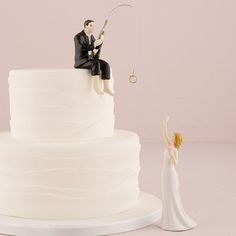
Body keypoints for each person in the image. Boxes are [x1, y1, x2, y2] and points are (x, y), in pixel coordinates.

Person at [159, 116, 197, 231]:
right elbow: (164, 135)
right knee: (166, 193)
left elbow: (176, 162)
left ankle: (175, 219)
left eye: (172, 138)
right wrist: (165, 123)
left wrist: (171, 156)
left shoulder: (174, 150)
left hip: (171, 173)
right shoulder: (169, 145)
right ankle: (168, 220)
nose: (170, 138)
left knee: (172, 194)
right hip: (165, 173)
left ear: (176, 140)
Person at [74, 19, 114, 96]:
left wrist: (100, 43)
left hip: (90, 59)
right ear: (85, 26)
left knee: (105, 65)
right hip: (81, 61)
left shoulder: (91, 37)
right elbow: (81, 49)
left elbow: (95, 54)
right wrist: (94, 45)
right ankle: (96, 86)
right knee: (95, 63)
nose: (93, 28)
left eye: (93, 26)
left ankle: (106, 87)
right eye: (91, 25)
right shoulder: (78, 37)